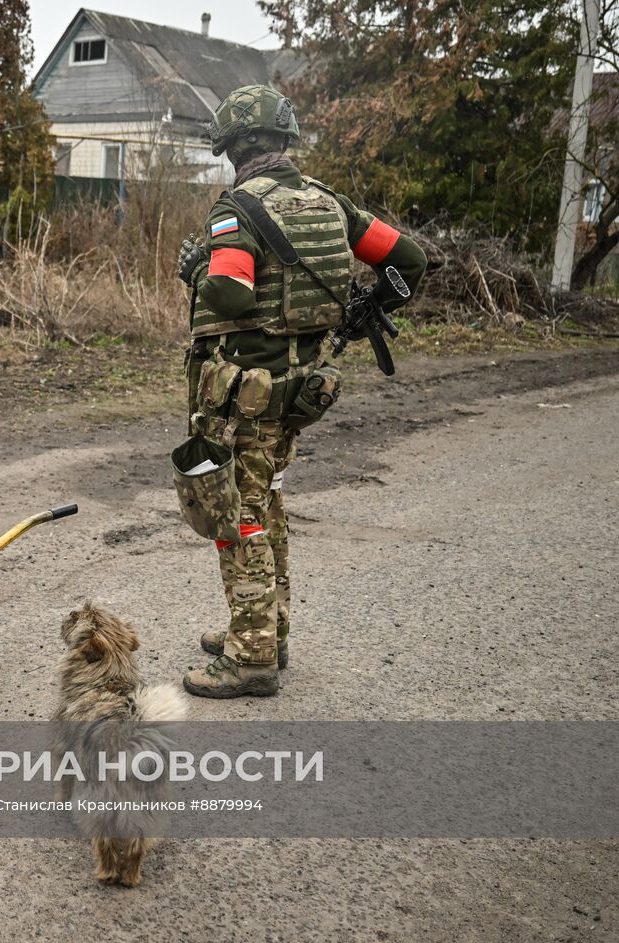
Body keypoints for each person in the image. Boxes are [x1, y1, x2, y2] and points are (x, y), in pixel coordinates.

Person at [175, 85, 427, 699]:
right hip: (301, 390)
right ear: (285, 141)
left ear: (235, 146)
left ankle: (251, 659)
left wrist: (198, 267)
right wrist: (369, 305)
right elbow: (411, 259)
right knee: (268, 504)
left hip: (245, 395)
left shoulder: (235, 209)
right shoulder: (331, 204)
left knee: (238, 515)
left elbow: (232, 294)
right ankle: (268, 630)